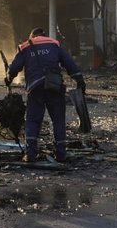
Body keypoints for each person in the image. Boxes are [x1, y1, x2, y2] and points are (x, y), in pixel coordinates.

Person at [5, 27, 85, 163]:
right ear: (44, 35)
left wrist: (9, 78)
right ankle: (61, 153)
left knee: (33, 120)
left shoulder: (25, 46)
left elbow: (14, 68)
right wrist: (79, 80)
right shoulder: (54, 44)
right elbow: (69, 62)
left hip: (35, 88)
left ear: (32, 36)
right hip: (54, 86)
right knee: (58, 120)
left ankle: (30, 154)